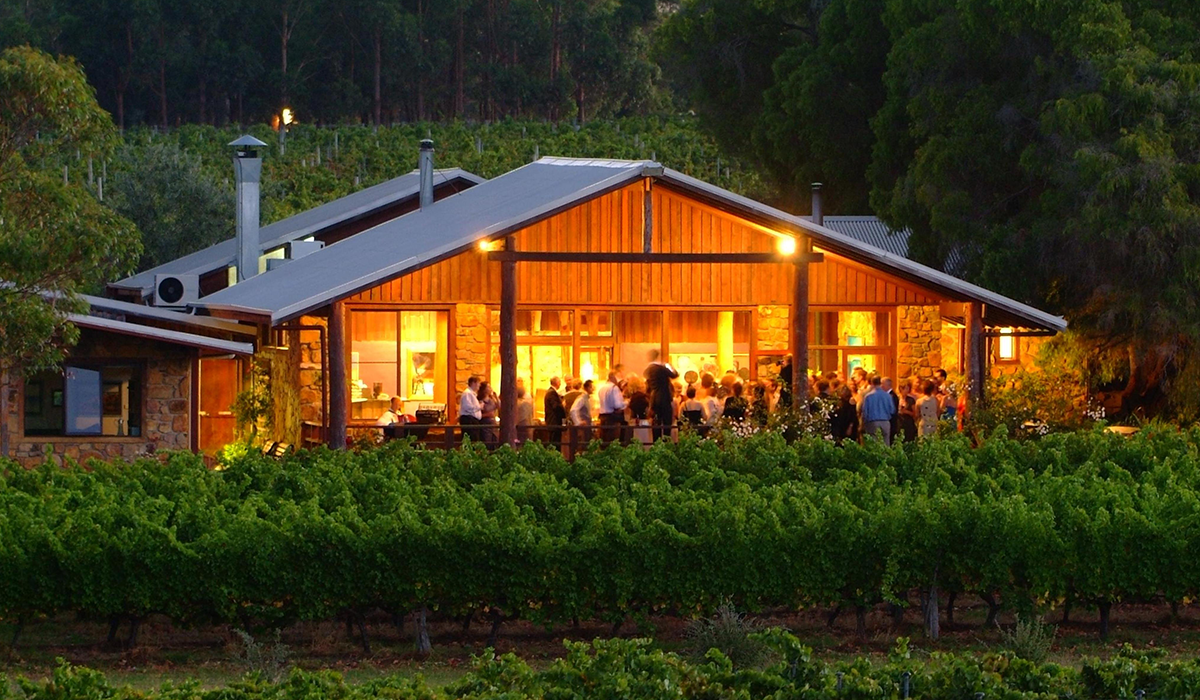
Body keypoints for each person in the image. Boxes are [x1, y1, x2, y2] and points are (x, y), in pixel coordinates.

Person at [643, 349, 679, 440]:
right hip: (664, 397)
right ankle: (666, 442)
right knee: (667, 423)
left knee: (656, 422)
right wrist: (670, 366)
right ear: (657, 357)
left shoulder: (648, 370)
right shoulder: (661, 369)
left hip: (654, 398)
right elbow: (675, 375)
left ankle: (656, 442)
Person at [860, 375, 895, 444]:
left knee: (873, 443)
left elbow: (865, 412)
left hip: (872, 422)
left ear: (872, 383)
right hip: (885, 422)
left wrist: (864, 423)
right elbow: (892, 410)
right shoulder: (888, 396)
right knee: (886, 443)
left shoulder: (868, 396)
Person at [597, 369, 628, 442]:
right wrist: (626, 402)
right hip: (612, 418)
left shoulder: (602, 388)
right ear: (613, 377)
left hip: (602, 417)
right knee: (613, 440)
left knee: (604, 440)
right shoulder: (614, 388)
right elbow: (617, 405)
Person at [544, 377, 566, 449]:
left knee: (554, 441)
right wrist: (562, 405)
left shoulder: (550, 392)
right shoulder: (552, 393)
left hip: (552, 421)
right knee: (555, 442)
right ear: (556, 383)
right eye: (559, 382)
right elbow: (556, 407)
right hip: (554, 422)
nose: (560, 384)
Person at [459, 375, 482, 441]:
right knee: (472, 439)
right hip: (469, 420)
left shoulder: (472, 394)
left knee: (474, 438)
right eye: (478, 383)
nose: (479, 385)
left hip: (472, 420)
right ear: (473, 383)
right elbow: (468, 407)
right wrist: (479, 406)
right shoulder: (467, 394)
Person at [896, 379, 919, 444]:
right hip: (899, 423)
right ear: (901, 389)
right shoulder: (897, 398)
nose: (907, 390)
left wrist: (906, 412)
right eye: (906, 388)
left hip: (908, 423)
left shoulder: (911, 400)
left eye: (908, 388)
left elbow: (915, 414)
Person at [478, 381, 499, 446]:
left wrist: (496, 398)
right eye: (488, 387)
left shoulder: (492, 399)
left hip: (493, 423)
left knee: (495, 440)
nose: (490, 388)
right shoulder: (479, 400)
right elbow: (477, 414)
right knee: (487, 441)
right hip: (485, 424)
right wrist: (487, 414)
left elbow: (498, 406)